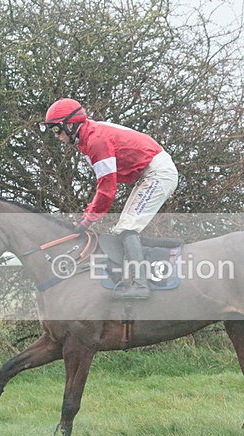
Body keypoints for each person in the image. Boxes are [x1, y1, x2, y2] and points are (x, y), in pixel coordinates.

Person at [40, 98, 178, 299]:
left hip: (157, 173)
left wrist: (88, 219)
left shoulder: (96, 141)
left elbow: (106, 189)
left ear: (70, 125)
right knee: (123, 228)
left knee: (127, 227)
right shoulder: (88, 137)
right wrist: (88, 214)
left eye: (56, 130)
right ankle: (164, 253)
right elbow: (104, 186)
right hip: (151, 172)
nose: (57, 136)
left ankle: (140, 285)